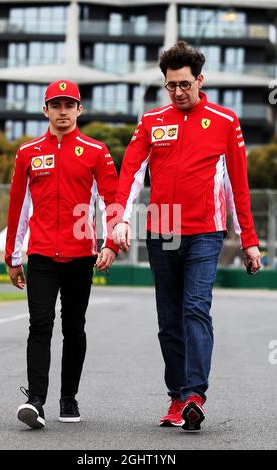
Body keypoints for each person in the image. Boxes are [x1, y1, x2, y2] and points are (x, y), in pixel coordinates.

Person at [113, 41, 261, 431]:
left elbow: (238, 185)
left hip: (205, 233)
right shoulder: (150, 122)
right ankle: (177, 397)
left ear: (200, 80)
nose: (178, 92)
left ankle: (196, 395)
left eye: (184, 84)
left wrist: (248, 239)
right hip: (162, 233)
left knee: (195, 308)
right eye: (170, 86)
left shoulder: (226, 121)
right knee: (168, 320)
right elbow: (129, 174)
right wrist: (119, 220)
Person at [5, 79, 118, 429]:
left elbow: (109, 201)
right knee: (39, 323)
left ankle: (68, 397)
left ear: (79, 110)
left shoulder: (97, 151)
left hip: (80, 256)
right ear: (46, 110)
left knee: (74, 326)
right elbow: (18, 207)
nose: (63, 111)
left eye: (69, 105)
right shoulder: (28, 153)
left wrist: (110, 242)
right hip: (40, 255)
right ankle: (35, 401)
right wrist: (13, 256)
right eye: (56, 105)